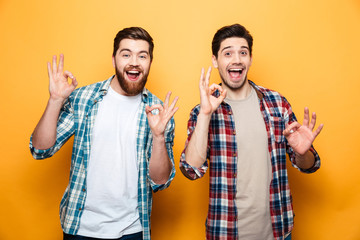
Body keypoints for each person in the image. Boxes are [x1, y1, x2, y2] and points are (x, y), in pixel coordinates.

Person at [30, 27, 178, 240]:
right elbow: (40, 149)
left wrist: (158, 136)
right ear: (114, 59)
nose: (134, 61)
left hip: (133, 230)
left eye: (142, 56)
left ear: (149, 62)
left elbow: (160, 181)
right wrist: (55, 100)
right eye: (126, 54)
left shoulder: (159, 111)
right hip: (80, 228)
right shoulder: (83, 98)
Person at [179, 24, 323, 240]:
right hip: (225, 232)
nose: (236, 59)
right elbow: (191, 170)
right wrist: (206, 114)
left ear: (250, 59)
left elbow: (308, 165)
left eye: (243, 52)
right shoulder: (202, 112)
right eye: (228, 53)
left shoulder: (277, 103)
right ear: (215, 60)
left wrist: (303, 153)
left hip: (278, 232)